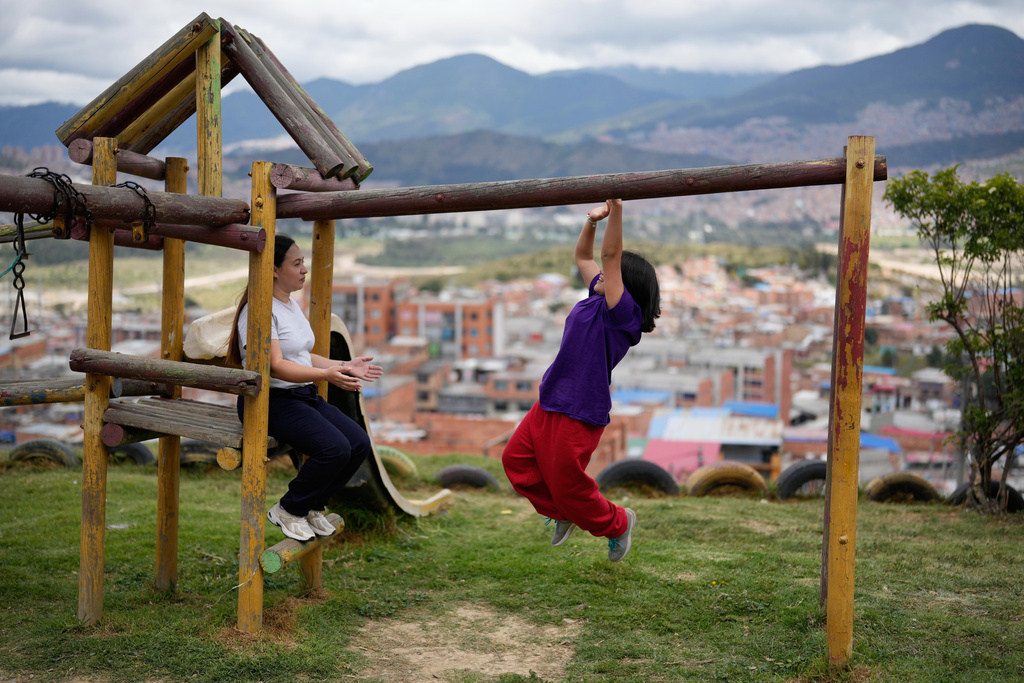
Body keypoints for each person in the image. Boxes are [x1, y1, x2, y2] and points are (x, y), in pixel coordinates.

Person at [502, 199, 661, 562]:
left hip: (580, 410)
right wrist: (591, 221)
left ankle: (618, 523)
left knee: (570, 485)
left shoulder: (623, 316)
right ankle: (563, 512)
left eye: (611, 274)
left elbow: (609, 256)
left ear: (626, 286)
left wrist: (617, 209)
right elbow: (584, 258)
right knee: (517, 462)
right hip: (550, 399)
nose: (600, 276)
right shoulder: (596, 296)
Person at [227, 234, 383, 542]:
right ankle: (289, 508)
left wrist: (342, 364)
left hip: (301, 395)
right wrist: (327, 374)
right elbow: (276, 365)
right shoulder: (258, 310)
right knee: (334, 449)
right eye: (296, 264)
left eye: (303, 263)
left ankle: (312, 506)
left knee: (358, 443)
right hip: (270, 401)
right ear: (273, 269)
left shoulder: (289, 304)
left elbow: (300, 354)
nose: (304, 269)